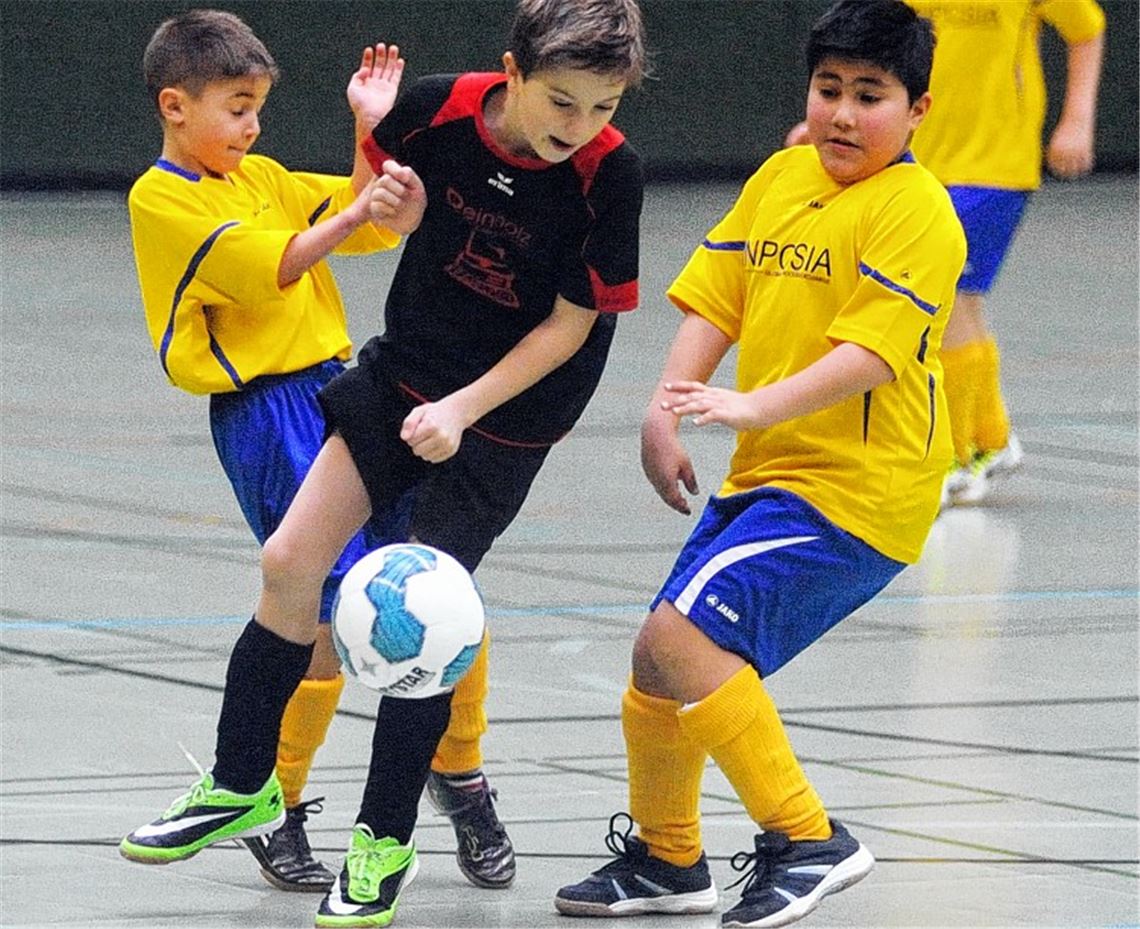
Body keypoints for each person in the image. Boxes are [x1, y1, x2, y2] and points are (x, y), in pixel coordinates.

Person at [121, 0, 649, 926]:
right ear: (512, 72)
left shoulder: (612, 176)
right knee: (290, 562)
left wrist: (464, 409)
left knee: (429, 616)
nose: (580, 127)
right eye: (562, 102)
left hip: (501, 419)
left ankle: (382, 842)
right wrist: (375, 140)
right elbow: (379, 201)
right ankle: (243, 782)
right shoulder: (441, 109)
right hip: (403, 372)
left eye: (602, 107)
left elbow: (572, 327)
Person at [554, 1, 965, 926]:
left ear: (918, 110)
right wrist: (667, 407)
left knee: (683, 641)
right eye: (829, 91)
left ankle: (809, 836)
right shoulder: (782, 176)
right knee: (658, 661)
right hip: (770, 473)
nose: (844, 115)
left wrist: (749, 405)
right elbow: (717, 298)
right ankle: (669, 859)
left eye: (872, 95)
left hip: (859, 492)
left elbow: (867, 354)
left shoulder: (919, 213)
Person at [120, 9, 417, 893]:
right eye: (236, 109)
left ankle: (454, 768)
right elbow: (275, 263)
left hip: (342, 388)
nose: (252, 129)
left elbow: (369, 223)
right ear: (176, 107)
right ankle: (269, 795)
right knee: (326, 607)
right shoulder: (162, 196)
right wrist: (356, 209)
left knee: (417, 575)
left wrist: (371, 129)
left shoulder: (267, 175)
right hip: (267, 410)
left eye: (259, 111)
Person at [907, 0, 1106, 506]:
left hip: (994, 163)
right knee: (960, 301)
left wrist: (1077, 120)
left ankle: (954, 457)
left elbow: (1087, 29)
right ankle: (990, 439)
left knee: (946, 295)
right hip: (919, 160)